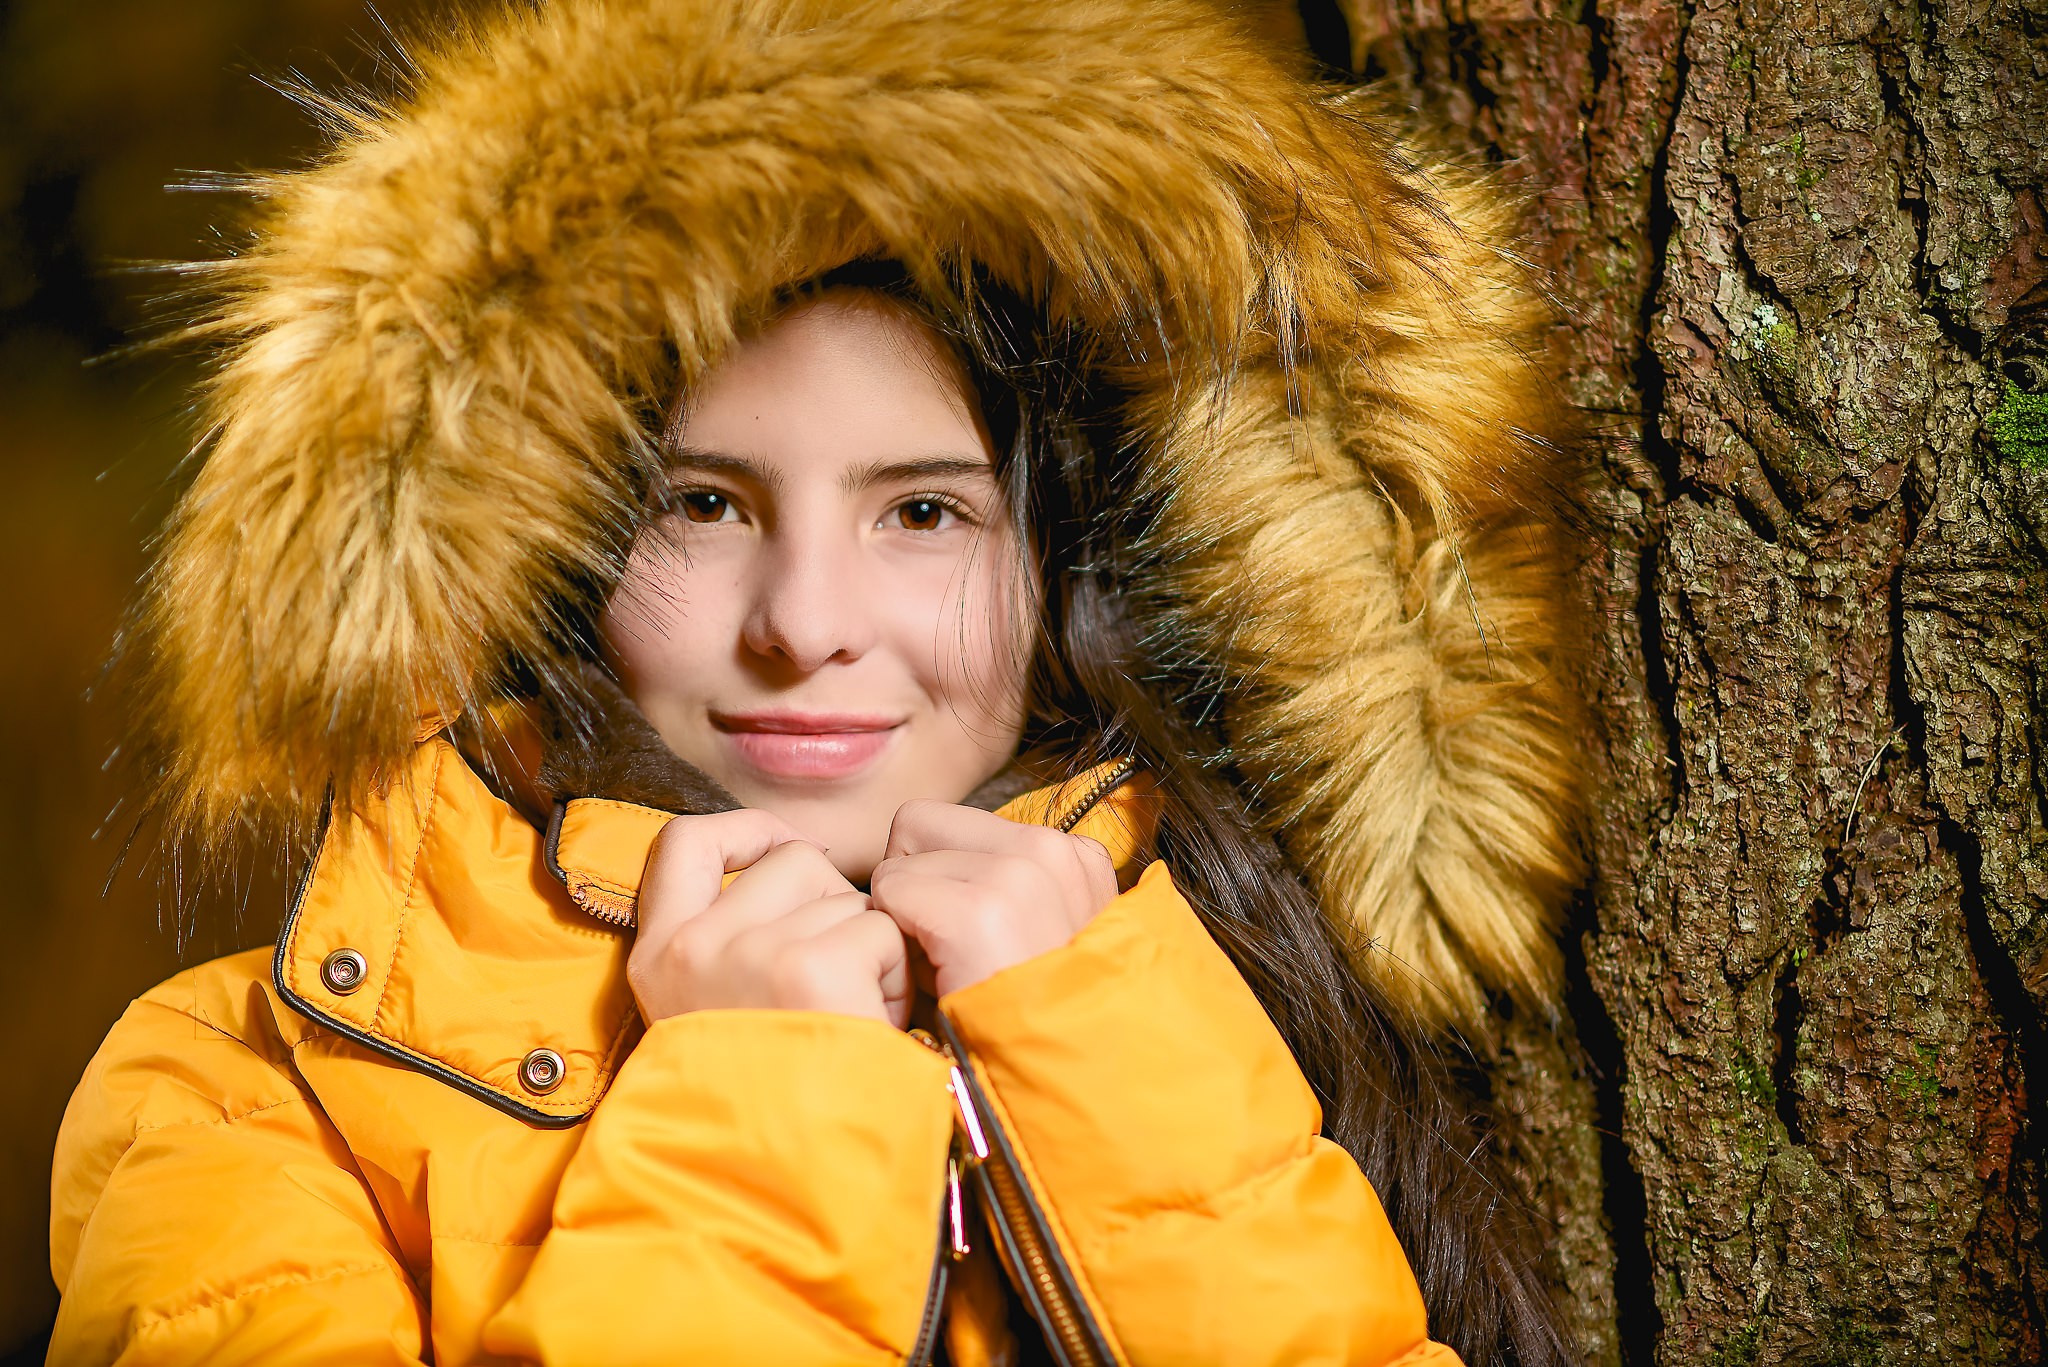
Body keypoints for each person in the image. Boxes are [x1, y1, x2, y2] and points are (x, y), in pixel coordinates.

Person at [48, 1, 1588, 1363]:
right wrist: (762, 1097)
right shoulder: (249, 1088)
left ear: (1088, 567)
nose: (805, 624)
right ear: (539, 552)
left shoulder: (1276, 1002)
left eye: (924, 513)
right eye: (703, 504)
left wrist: (1114, 1069)